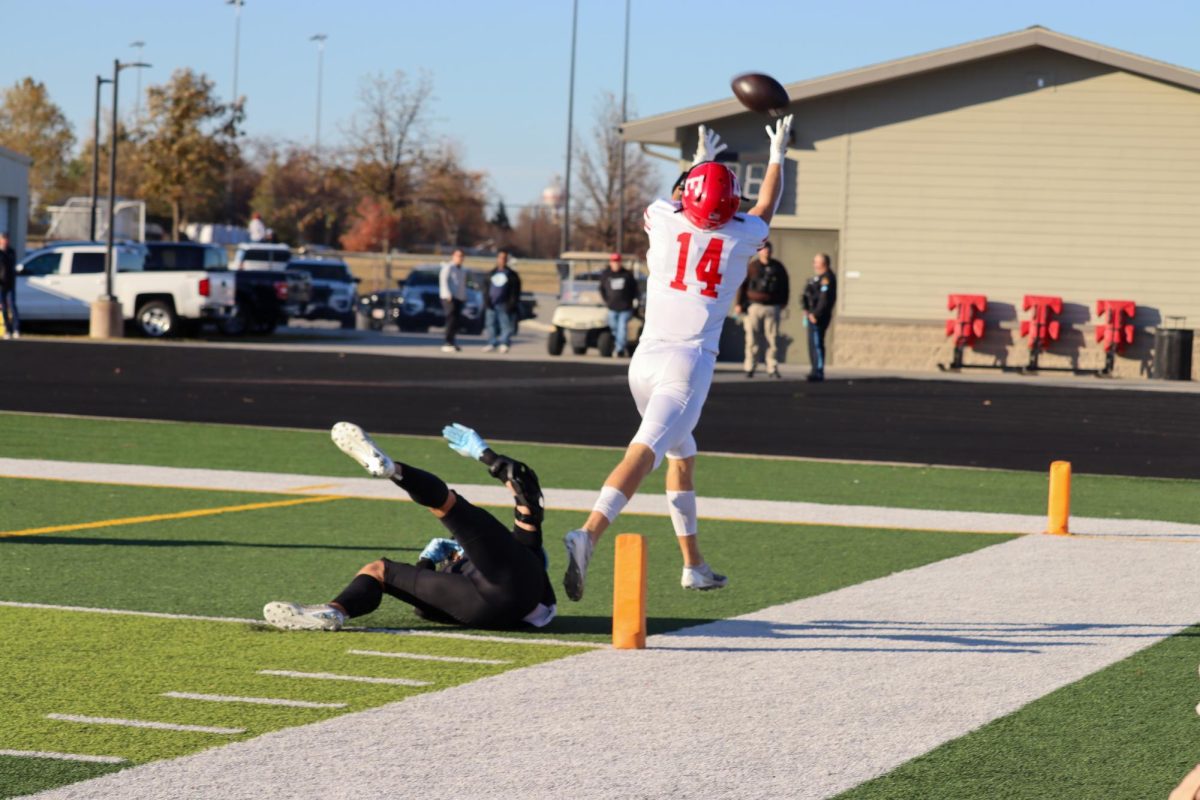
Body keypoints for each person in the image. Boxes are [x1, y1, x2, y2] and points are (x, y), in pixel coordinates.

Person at [562, 116, 793, 600]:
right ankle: (589, 532)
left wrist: (699, 161)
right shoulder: (741, 235)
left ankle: (694, 565)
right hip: (686, 366)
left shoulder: (662, 217)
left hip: (643, 362)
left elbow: (682, 196)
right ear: (731, 204)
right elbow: (766, 205)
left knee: (681, 456)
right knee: (643, 453)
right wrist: (777, 155)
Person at [264, 421, 556, 631]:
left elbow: (524, 486)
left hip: (501, 596)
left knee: (446, 506)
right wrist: (485, 455)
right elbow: (424, 607)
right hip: (495, 607)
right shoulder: (512, 553)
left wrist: (428, 559)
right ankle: (334, 612)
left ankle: (393, 470)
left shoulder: (514, 552)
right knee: (380, 570)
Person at [735, 241, 789, 378]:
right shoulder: (752, 266)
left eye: (768, 249)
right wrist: (739, 303)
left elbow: (785, 286)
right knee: (752, 338)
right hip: (754, 306)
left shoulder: (778, 267)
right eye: (764, 249)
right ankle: (750, 366)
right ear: (759, 251)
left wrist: (783, 302)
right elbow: (742, 285)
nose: (766, 252)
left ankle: (772, 367)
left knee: (773, 338)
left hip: (772, 307)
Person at [801, 253, 837, 382]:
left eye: (817, 262)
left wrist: (815, 314)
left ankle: (819, 371)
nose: (814, 265)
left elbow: (824, 300)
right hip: (811, 315)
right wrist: (806, 309)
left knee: (817, 344)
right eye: (814, 261)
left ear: (824, 263)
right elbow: (807, 295)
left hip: (818, 317)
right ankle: (814, 369)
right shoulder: (817, 278)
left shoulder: (827, 278)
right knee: (811, 344)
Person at [481, 250, 521, 353]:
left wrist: (512, 303)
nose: (502, 260)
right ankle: (492, 342)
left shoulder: (512, 275)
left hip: (504, 303)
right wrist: (486, 300)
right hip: (492, 303)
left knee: (506, 325)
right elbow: (485, 288)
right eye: (500, 257)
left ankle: (504, 343)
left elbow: (515, 291)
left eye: (504, 258)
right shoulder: (491, 273)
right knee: (490, 324)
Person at [600, 253, 639, 357]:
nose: (615, 264)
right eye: (613, 261)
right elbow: (602, 289)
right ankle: (617, 344)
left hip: (625, 307)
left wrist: (634, 301)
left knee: (622, 327)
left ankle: (619, 350)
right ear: (610, 263)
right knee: (614, 328)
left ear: (620, 262)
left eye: (617, 261)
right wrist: (606, 300)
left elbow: (635, 289)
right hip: (612, 307)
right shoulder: (606, 274)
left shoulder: (627, 275)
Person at [438, 249, 467, 353]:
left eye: (462, 256)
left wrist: (463, 297)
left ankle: (452, 341)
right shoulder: (448, 267)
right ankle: (447, 342)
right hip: (449, 298)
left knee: (456, 321)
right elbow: (444, 281)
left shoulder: (462, 270)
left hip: (459, 298)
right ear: (453, 256)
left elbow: (462, 285)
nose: (460, 258)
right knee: (451, 320)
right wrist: (448, 294)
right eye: (458, 256)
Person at [0, 233, 18, 340]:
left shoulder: (11, 252)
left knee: (12, 306)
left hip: (10, 284)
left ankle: (16, 329)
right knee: (4, 308)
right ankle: (7, 329)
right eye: (3, 239)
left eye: (7, 239)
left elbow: (12, 267)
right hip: (1, 285)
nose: (5, 241)